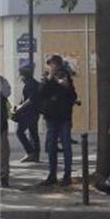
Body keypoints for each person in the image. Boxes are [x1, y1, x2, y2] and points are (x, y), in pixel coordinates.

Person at [39, 55, 77, 187]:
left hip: (64, 117)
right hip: (51, 117)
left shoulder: (65, 76)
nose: (52, 67)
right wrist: (49, 79)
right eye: (50, 64)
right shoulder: (46, 78)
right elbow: (41, 93)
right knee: (51, 146)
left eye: (54, 64)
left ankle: (67, 176)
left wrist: (66, 86)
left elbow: (73, 95)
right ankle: (52, 175)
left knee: (66, 146)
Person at [14, 63, 42, 162]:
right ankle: (36, 155)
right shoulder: (32, 83)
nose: (20, 77)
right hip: (34, 112)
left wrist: (20, 107)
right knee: (34, 133)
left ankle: (30, 153)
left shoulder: (30, 84)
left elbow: (30, 99)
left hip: (29, 113)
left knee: (19, 132)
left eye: (21, 75)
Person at [1, 79, 11, 188]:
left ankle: (4, 177)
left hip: (1, 124)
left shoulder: (2, 82)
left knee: (3, 152)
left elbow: (6, 93)